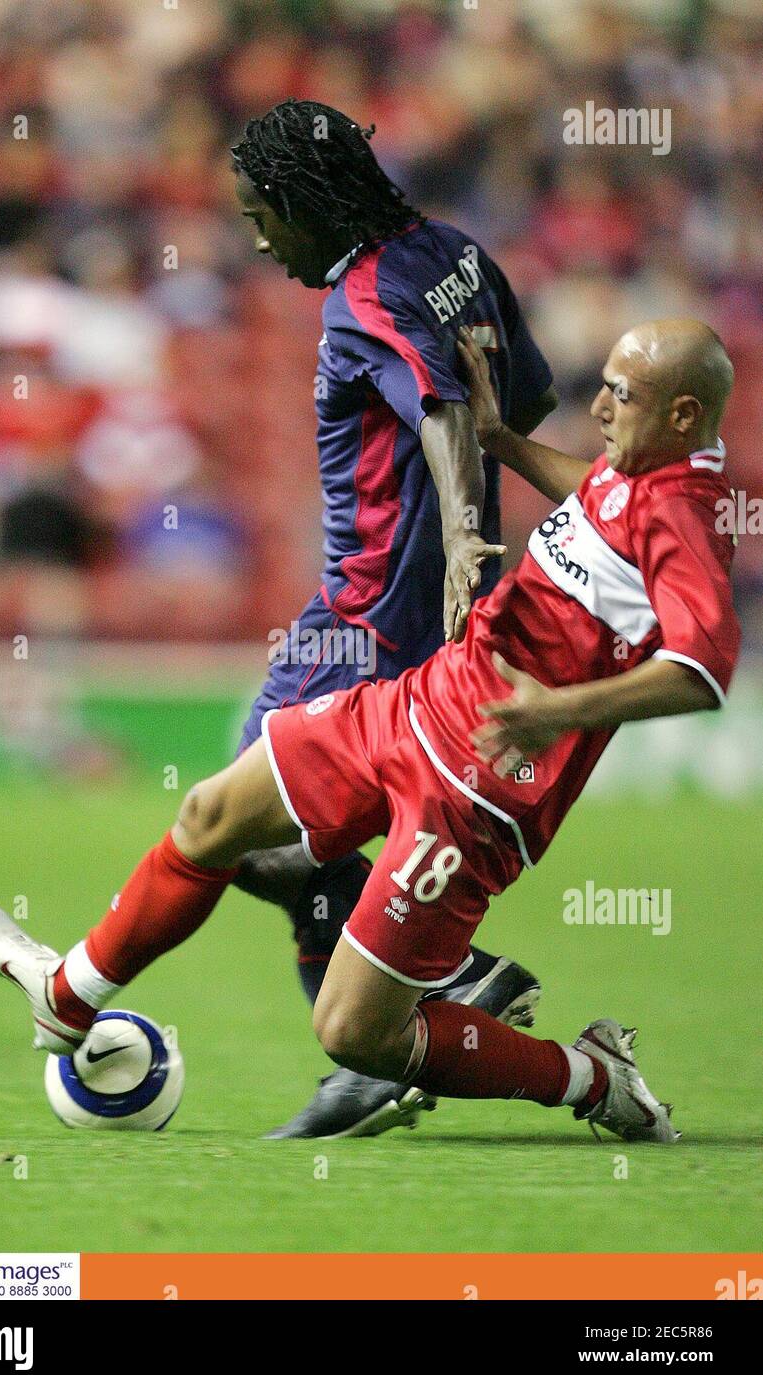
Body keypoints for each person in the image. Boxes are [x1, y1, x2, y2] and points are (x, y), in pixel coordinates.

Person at [0, 317, 739, 1143]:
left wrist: (553, 711)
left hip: (478, 790)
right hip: (417, 707)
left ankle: (588, 1077)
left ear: (685, 415)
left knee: (355, 1033)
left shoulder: (684, 515)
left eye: (620, 394)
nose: (599, 409)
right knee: (213, 818)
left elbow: (702, 672)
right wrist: (501, 440)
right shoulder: (637, 470)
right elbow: (596, 493)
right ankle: (67, 998)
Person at [232, 98, 556, 1136]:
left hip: (358, 618)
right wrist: (459, 538)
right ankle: (384, 1041)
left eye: (262, 214)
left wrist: (457, 535)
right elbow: (526, 395)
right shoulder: (454, 252)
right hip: (426, 618)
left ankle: (442, 977)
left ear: (304, 203)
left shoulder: (362, 300)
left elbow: (439, 404)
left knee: (246, 836)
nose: (256, 238)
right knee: (292, 839)